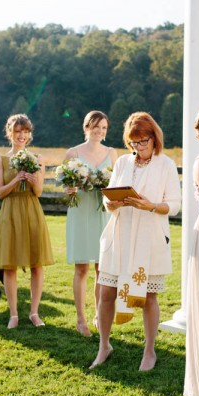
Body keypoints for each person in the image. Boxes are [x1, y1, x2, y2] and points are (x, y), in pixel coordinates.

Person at [90, 112, 181, 371]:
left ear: (154, 137)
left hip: (148, 237)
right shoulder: (122, 164)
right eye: (133, 143)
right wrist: (112, 201)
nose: (138, 148)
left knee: (148, 297)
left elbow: (174, 205)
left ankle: (149, 351)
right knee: (106, 292)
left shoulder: (166, 164)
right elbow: (108, 200)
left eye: (142, 142)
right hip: (119, 235)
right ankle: (103, 346)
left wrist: (150, 205)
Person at [0, 114, 54, 329]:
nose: (22, 135)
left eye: (25, 131)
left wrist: (32, 178)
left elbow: (37, 192)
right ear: (10, 132)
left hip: (31, 210)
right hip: (10, 211)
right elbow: (0, 192)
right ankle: (14, 314)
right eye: (18, 131)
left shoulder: (37, 158)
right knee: (10, 265)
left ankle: (35, 313)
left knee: (36, 264)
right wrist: (16, 179)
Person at [63, 111, 118, 337]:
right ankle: (80, 318)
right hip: (80, 211)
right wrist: (70, 190)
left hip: (102, 213)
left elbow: (116, 185)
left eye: (104, 128)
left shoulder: (112, 153)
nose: (100, 131)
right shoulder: (73, 153)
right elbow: (67, 192)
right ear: (86, 127)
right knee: (82, 267)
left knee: (101, 268)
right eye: (96, 127)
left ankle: (98, 313)